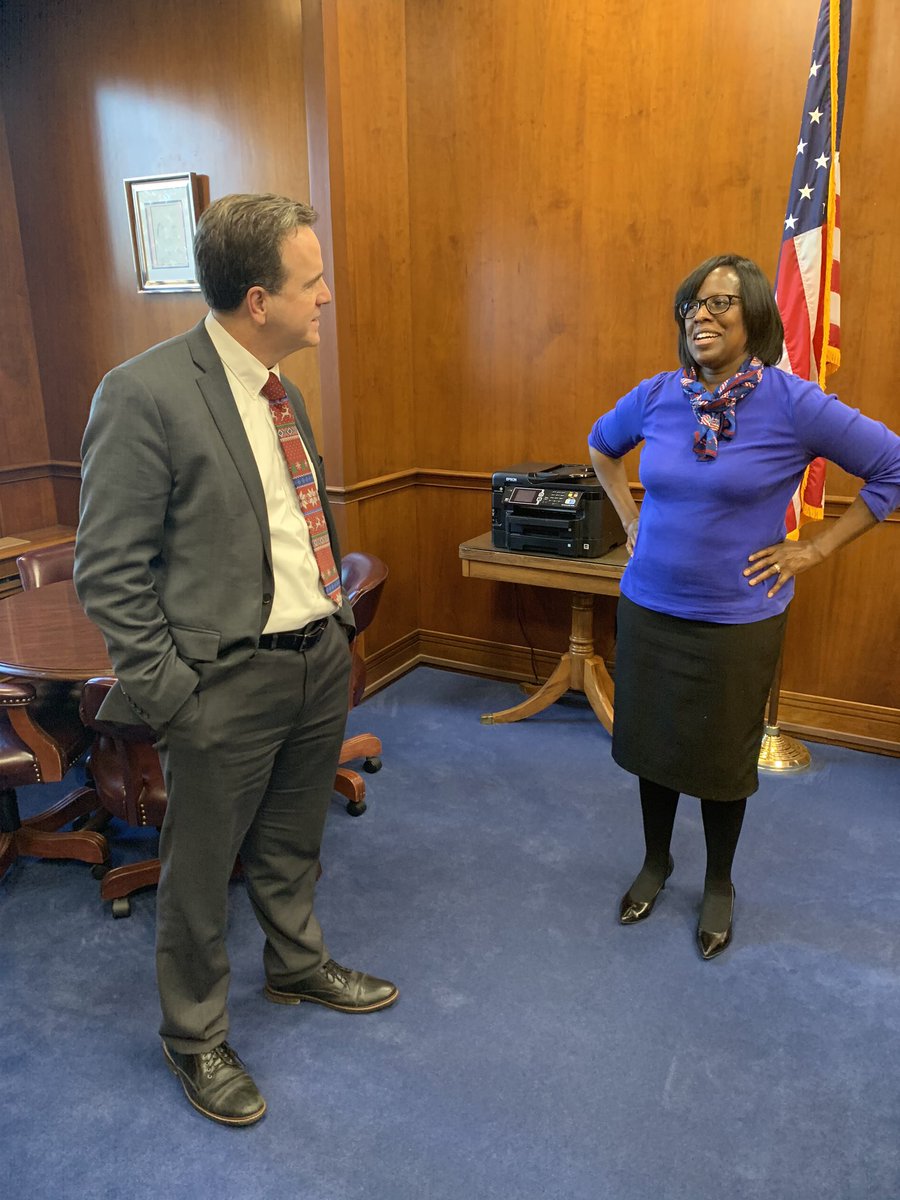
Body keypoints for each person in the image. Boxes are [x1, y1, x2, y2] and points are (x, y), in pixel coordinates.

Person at [75, 193, 398, 1126]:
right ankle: (196, 1037)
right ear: (259, 299)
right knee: (201, 869)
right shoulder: (142, 392)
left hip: (315, 661)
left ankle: (296, 967)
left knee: (295, 843)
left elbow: (292, 529)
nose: (327, 296)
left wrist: (335, 631)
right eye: (313, 281)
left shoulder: (281, 389)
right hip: (221, 686)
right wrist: (175, 697)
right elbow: (109, 571)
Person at [588, 253, 900, 960]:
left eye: (721, 303)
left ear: (756, 315)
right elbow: (602, 448)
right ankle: (656, 862)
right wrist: (630, 518)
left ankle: (720, 882)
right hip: (649, 607)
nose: (702, 315)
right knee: (653, 747)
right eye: (692, 305)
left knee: (724, 759)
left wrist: (814, 549)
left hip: (736, 619)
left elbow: (892, 465)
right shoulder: (658, 395)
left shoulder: (793, 403)